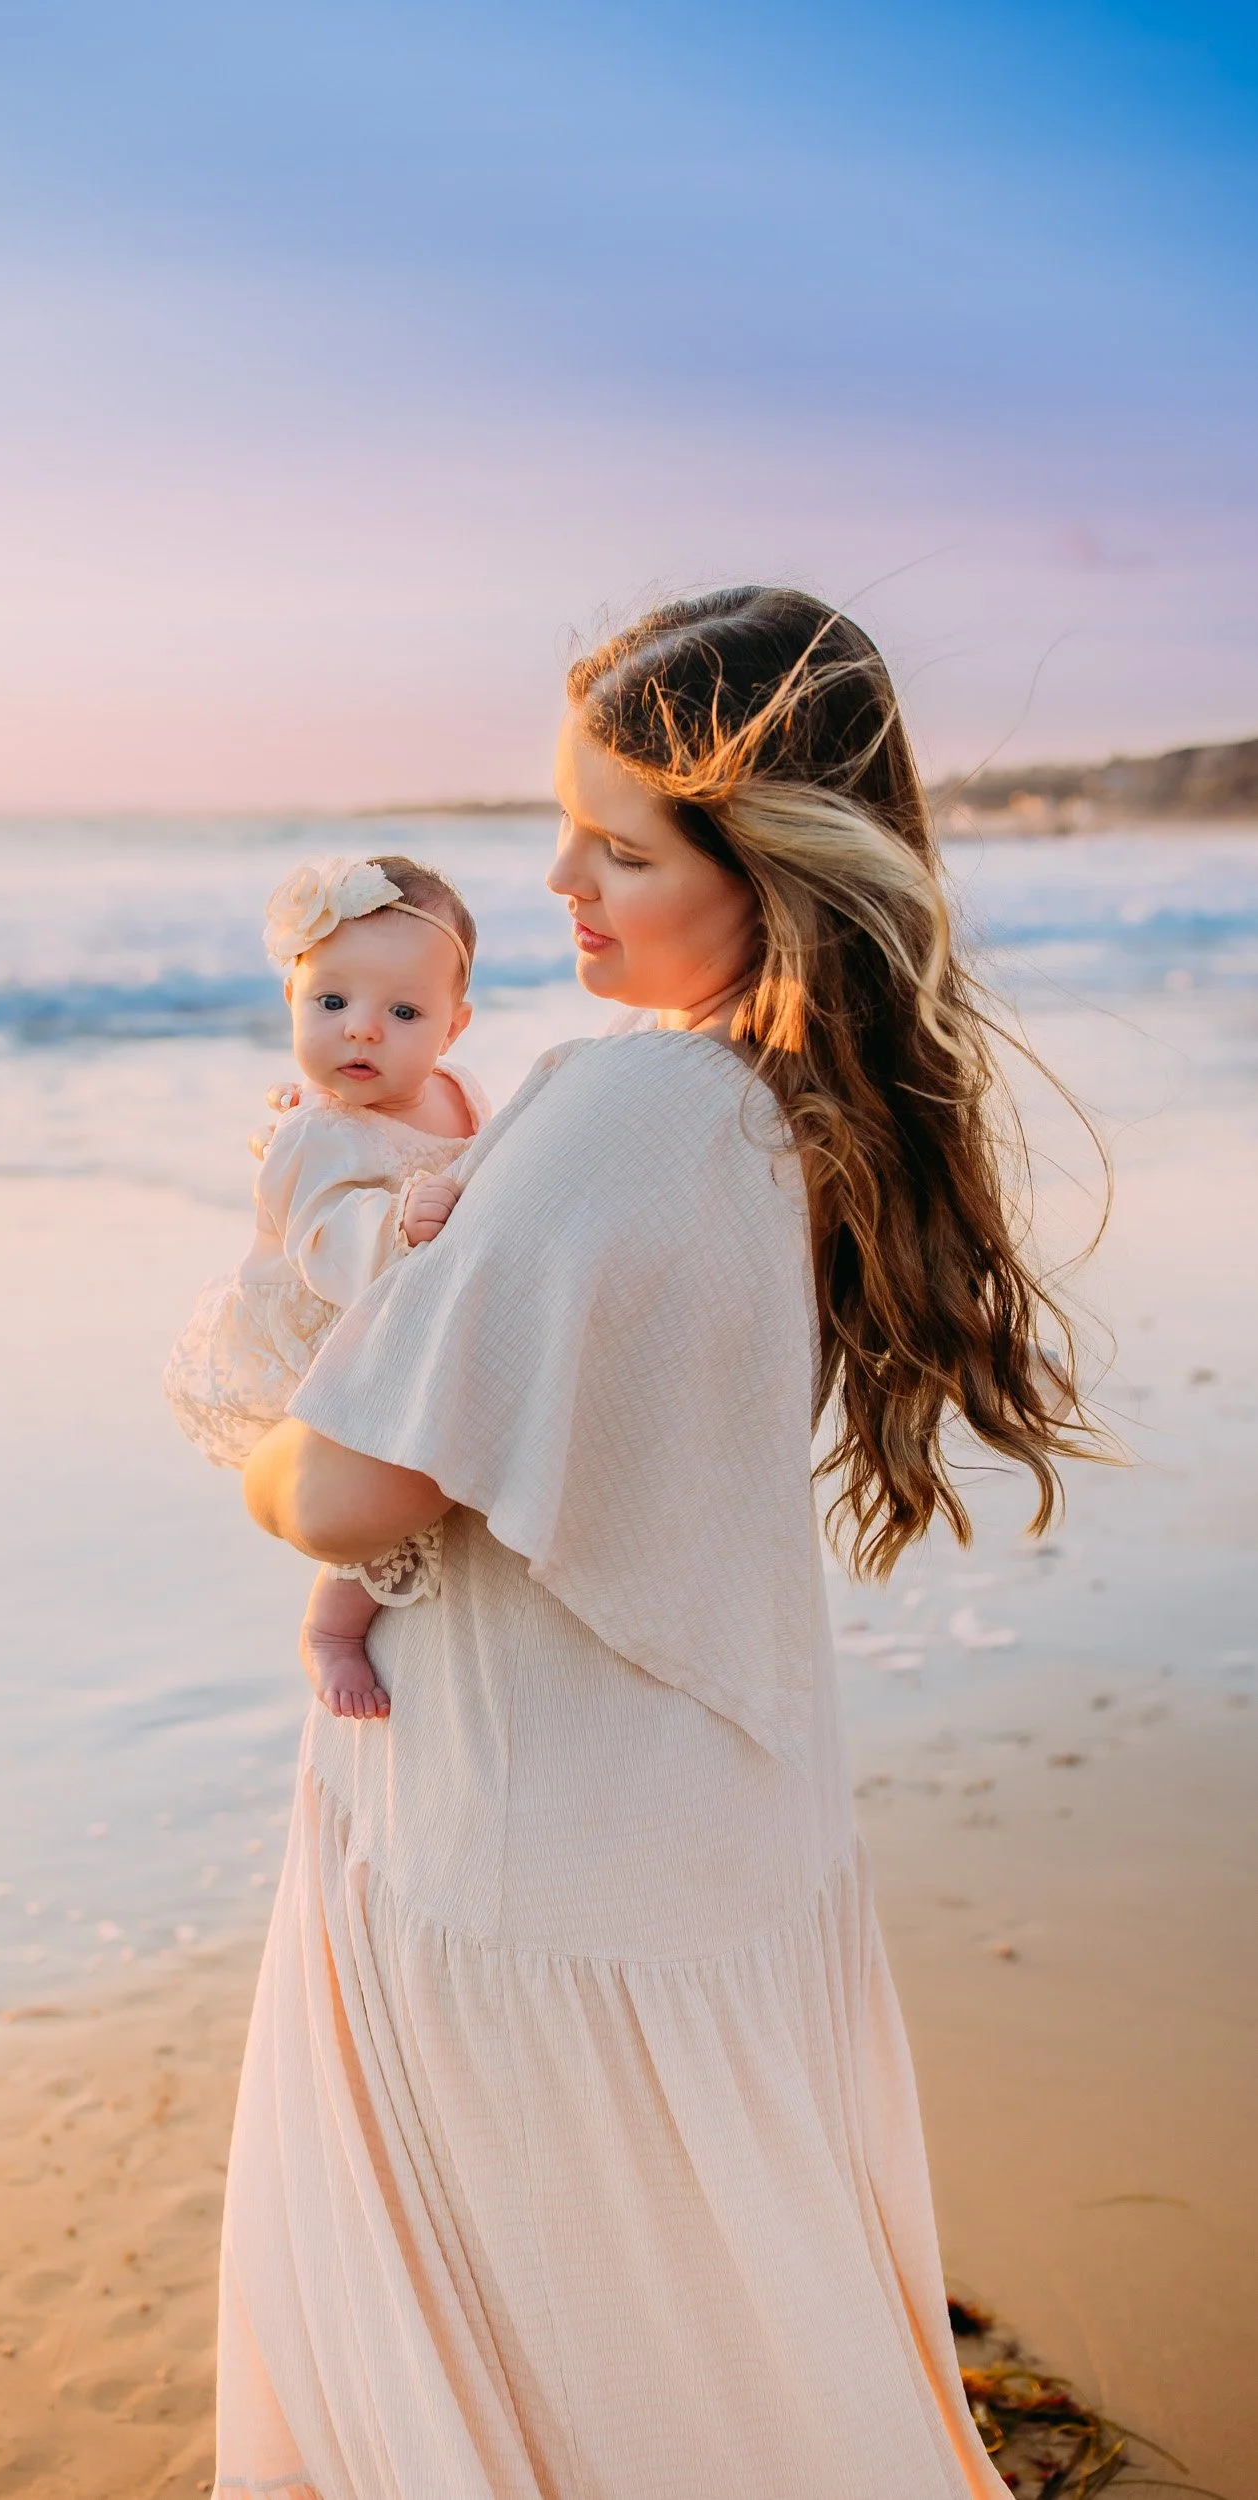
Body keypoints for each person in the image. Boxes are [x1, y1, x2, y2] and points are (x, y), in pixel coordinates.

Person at [220, 587, 1099, 2498]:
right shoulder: (803, 1113)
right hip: (690, 1843)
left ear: (771, 866)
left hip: (526, 1877)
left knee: (541, 2382)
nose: (556, 881)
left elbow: (355, 1489)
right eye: (566, 830)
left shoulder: (633, 1101)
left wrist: (262, 1451)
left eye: (617, 846)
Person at [164, 852, 485, 1716]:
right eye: (332, 1002)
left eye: (403, 1011)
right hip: (326, 1333)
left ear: (451, 1029)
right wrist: (395, 1225)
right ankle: (333, 1628)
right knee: (381, 1487)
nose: (362, 1030)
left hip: (401, 1316)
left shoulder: (456, 1092)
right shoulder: (318, 1134)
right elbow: (323, 1240)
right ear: (292, 1001)